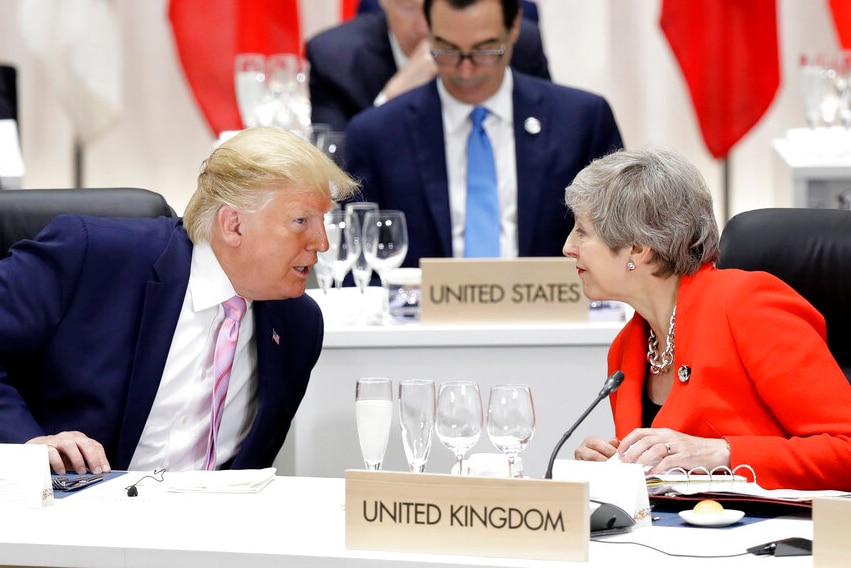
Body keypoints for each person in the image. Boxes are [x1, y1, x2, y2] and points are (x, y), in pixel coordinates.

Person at [0, 127, 358, 475]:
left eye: (322, 220)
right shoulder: (90, 254)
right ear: (233, 225)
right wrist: (29, 445)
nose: (321, 242)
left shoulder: (298, 325)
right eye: (301, 221)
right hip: (65, 513)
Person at [564, 147, 851, 491]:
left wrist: (725, 454)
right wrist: (616, 467)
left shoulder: (748, 305)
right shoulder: (626, 349)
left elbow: (845, 449)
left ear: (637, 249)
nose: (569, 246)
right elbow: (670, 475)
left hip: (773, 536)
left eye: (583, 232)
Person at [344, 0, 623, 267]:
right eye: (448, 50)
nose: (466, 71)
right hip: (422, 314)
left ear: (513, 27)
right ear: (429, 32)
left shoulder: (583, 121)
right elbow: (357, 265)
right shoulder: (376, 135)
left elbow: (619, 243)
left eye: (485, 50)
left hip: (554, 311)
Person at [306, 0, 551, 132]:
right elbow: (331, 176)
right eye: (409, 8)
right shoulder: (335, 58)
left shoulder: (511, 44)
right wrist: (390, 98)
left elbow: (553, 135)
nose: (426, 27)